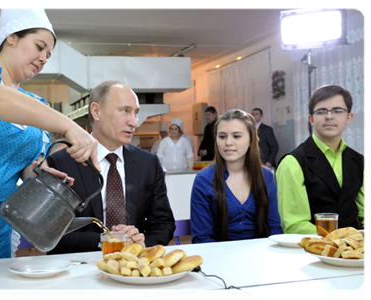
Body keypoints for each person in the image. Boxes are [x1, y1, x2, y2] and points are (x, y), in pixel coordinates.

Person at [0, 8, 99, 262]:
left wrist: (38, 174)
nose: (43, 58)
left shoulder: (32, 105)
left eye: (48, 54)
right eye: (39, 46)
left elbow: (22, 169)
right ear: (11, 37)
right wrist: (69, 126)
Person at [46, 80, 176, 254]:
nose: (134, 122)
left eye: (136, 113)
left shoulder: (148, 163)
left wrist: (143, 242)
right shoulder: (62, 163)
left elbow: (164, 223)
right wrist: (108, 241)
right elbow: (52, 233)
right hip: (80, 268)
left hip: (132, 268)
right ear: (96, 111)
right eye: (125, 111)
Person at [276, 84, 368, 234]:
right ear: (311, 119)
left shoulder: (359, 161)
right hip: (311, 249)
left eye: (338, 111)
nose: (329, 116)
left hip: (353, 250)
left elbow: (366, 215)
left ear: (348, 117)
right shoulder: (293, 162)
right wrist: (337, 240)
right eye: (321, 111)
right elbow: (295, 224)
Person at [191, 109, 282, 243]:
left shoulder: (265, 176)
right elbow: (201, 238)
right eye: (222, 136)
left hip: (261, 258)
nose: (228, 142)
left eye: (237, 136)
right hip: (218, 258)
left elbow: (275, 229)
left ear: (251, 139)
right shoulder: (204, 179)